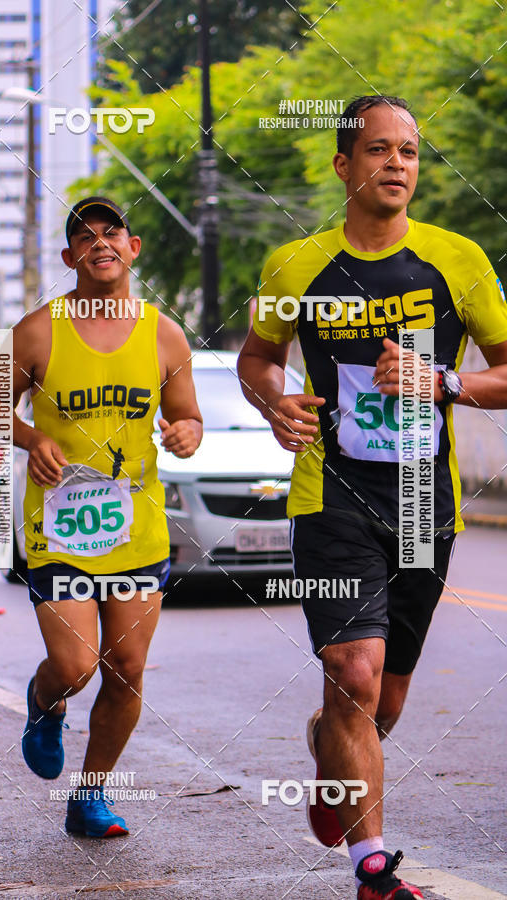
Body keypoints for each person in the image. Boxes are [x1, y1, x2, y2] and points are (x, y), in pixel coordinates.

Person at [237, 96, 507, 899]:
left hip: (425, 502)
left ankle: (330, 746)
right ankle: (374, 869)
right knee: (356, 671)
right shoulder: (297, 265)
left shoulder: (458, 260)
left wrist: (445, 380)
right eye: (381, 150)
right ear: (344, 166)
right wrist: (272, 400)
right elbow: (258, 357)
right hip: (332, 495)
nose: (398, 164)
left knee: (379, 703)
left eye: (411, 152)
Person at [12, 196, 202, 837]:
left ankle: (89, 797)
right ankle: (45, 702)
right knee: (75, 666)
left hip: (136, 529)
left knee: (127, 670)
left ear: (133, 247)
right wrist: (30, 437)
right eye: (85, 235)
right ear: (70, 257)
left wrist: (186, 434)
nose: (100, 241)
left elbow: (188, 416)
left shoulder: (164, 332)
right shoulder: (36, 329)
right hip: (59, 531)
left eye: (112, 231)